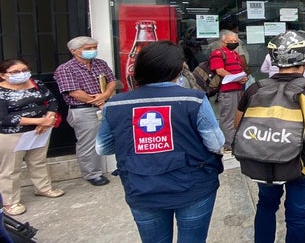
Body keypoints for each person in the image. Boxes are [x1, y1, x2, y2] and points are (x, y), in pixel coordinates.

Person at [96, 41, 225, 243]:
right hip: (193, 186)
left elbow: (103, 147)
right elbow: (215, 144)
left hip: (142, 187)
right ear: (179, 68)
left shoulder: (116, 104)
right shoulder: (194, 99)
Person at [235, 31, 305, 243]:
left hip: (263, 159)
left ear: (274, 59)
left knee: (266, 206)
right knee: (298, 213)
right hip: (302, 162)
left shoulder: (256, 88)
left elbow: (239, 125)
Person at [0, 59, 64, 216]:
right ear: (3, 75)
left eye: (24, 70)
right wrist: (39, 121)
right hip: (13, 134)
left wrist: (49, 118)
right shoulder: (1, 91)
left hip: (40, 131)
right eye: (15, 72)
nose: (22, 74)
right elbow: (4, 118)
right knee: (11, 169)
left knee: (38, 161)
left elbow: (52, 101)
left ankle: (43, 188)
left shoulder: (36, 83)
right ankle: (10, 202)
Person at [54, 36, 116, 186]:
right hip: (83, 110)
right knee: (88, 143)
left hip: (104, 106)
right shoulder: (66, 69)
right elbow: (74, 92)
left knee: (111, 137)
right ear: (74, 51)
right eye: (88, 48)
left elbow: (112, 81)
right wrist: (98, 102)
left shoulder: (100, 63)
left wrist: (105, 95)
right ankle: (93, 174)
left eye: (94, 47)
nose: (93, 51)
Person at [209, 30, 248, 152]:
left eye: (235, 41)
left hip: (238, 89)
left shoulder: (235, 54)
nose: (234, 43)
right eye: (231, 41)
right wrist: (235, 78)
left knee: (237, 116)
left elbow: (240, 70)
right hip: (227, 91)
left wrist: (243, 78)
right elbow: (219, 70)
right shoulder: (218, 53)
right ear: (223, 42)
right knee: (228, 118)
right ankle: (228, 144)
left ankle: (235, 141)